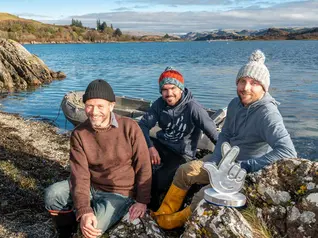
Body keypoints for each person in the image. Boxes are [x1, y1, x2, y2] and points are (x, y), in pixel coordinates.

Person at [152, 49, 297, 230]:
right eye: (242, 81)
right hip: (222, 161)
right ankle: (163, 212)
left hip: (242, 172)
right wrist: (215, 159)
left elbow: (288, 151)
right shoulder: (235, 103)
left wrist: (247, 166)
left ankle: (174, 223)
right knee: (185, 171)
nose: (246, 88)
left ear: (264, 87)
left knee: (203, 196)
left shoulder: (268, 114)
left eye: (254, 83)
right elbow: (226, 134)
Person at [44, 79, 152, 238]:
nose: (94, 111)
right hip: (90, 185)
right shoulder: (79, 134)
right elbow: (79, 174)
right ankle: (66, 231)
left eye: (100, 106)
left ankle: (83, 227)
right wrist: (84, 210)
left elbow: (143, 166)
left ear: (111, 106)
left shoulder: (130, 127)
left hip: (119, 193)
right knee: (52, 195)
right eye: (89, 105)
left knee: (92, 232)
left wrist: (142, 201)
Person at [138, 67, 219, 210]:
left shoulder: (193, 108)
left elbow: (214, 134)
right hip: (162, 145)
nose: (169, 94)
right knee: (135, 157)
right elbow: (143, 125)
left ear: (181, 89)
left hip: (181, 154)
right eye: (164, 89)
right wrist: (150, 147)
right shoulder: (159, 104)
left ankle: (153, 210)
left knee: (158, 180)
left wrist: (224, 157)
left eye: (173, 88)